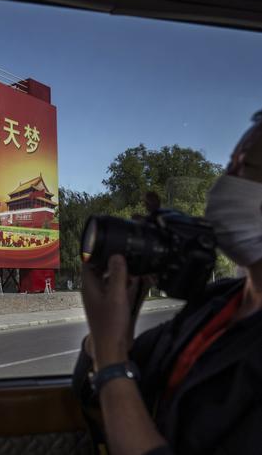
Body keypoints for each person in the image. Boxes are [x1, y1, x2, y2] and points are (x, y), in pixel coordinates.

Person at [73, 112, 262, 455]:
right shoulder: (218, 302)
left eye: (244, 167)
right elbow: (96, 391)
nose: (226, 181)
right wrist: (116, 332)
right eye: (229, 165)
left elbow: (115, 374)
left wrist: (112, 360)